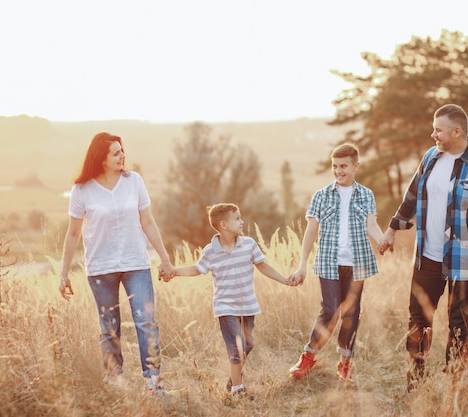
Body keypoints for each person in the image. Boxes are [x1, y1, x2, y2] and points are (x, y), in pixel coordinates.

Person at [379, 104, 468, 391]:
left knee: (460, 326)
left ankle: (454, 388)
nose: (432, 134)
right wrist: (391, 231)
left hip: (466, 262)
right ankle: (416, 383)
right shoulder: (431, 157)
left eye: (438, 129)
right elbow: (411, 197)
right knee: (417, 319)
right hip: (427, 256)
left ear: (456, 131)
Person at [58, 132, 174, 394]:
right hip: (101, 268)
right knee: (109, 327)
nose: (122, 155)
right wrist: (63, 273)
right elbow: (73, 233)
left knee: (146, 322)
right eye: (115, 152)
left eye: (122, 151)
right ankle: (115, 382)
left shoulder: (134, 181)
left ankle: (154, 383)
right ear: (101, 158)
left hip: (136, 264)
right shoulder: (82, 190)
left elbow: (148, 222)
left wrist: (165, 258)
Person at [161, 203, 296, 399]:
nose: (242, 222)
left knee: (248, 345)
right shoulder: (210, 251)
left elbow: (263, 266)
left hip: (248, 305)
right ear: (223, 225)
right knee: (236, 347)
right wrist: (174, 272)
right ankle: (237, 391)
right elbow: (197, 269)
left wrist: (284, 280)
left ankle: (234, 380)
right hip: (225, 306)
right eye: (238, 218)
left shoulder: (248, 244)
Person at [288, 143, 385, 382]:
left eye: (343, 166)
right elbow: (311, 231)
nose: (338, 171)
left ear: (355, 166)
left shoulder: (366, 195)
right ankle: (308, 357)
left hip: (357, 264)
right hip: (328, 263)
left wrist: (383, 239)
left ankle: (345, 363)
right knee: (329, 311)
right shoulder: (321, 195)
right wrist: (302, 265)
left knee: (352, 313)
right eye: (335, 166)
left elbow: (371, 225)